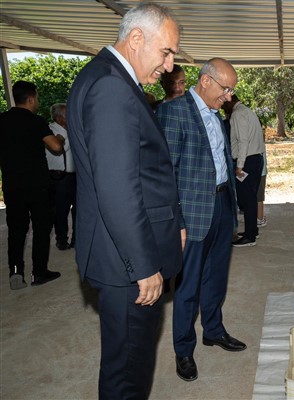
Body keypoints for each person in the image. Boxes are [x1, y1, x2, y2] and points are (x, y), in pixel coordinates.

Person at [66, 4, 184, 398]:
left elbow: (144, 172)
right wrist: (144, 265)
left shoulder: (107, 77)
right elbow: (117, 186)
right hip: (126, 262)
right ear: (136, 39)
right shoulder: (112, 85)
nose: (169, 66)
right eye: (166, 53)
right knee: (127, 375)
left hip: (124, 253)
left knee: (127, 363)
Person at [156, 57, 247, 383]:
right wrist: (176, 221)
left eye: (231, 91)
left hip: (222, 204)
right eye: (225, 89)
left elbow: (220, 160)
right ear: (206, 81)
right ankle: (183, 349)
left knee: (216, 277)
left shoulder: (217, 116)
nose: (228, 96)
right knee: (188, 285)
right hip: (192, 213)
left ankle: (213, 330)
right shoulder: (173, 112)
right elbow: (164, 177)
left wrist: (232, 205)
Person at [0, 80, 64, 290]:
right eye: (36, 98)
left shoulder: (2, 120)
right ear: (30, 99)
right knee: (41, 228)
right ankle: (39, 272)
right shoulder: (35, 121)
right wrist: (59, 138)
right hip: (37, 184)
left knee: (16, 229)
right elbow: (55, 147)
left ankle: (16, 272)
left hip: (12, 185)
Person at [222, 94, 265, 247]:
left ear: (230, 100)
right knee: (251, 197)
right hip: (255, 159)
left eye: (223, 103)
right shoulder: (247, 111)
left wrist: (239, 165)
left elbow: (243, 141)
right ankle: (252, 230)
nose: (222, 106)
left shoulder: (238, 114)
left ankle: (250, 236)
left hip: (246, 161)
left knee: (247, 199)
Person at [45, 103, 76, 250]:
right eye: (67, 115)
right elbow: (61, 147)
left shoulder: (67, 129)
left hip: (74, 176)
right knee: (61, 211)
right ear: (58, 118)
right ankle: (61, 239)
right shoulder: (50, 131)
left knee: (78, 209)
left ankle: (77, 238)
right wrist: (70, 132)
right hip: (60, 177)